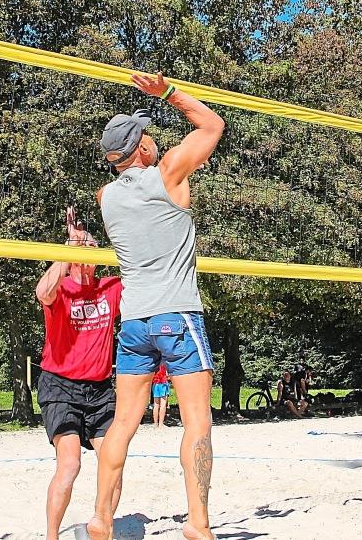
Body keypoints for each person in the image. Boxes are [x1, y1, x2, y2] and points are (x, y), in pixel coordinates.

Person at [86, 71, 224, 540]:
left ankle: (101, 517)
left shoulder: (105, 197)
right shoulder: (166, 173)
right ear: (141, 149)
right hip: (177, 313)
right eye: (147, 135)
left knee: (123, 423)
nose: (154, 138)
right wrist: (166, 93)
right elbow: (211, 126)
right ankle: (198, 525)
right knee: (198, 422)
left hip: (135, 319)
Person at [35, 207, 123, 540]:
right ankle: (52, 536)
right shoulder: (62, 287)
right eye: (77, 251)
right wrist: (68, 247)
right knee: (70, 464)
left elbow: (139, 272)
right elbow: (43, 292)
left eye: (89, 250)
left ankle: (103, 527)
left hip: (100, 389)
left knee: (114, 462)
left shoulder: (111, 287)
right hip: (60, 385)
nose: (83, 256)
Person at [152, 364, 171, 428]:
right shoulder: (165, 363)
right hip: (163, 383)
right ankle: (161, 424)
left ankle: (155, 424)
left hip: (155, 384)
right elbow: (168, 375)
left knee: (156, 405)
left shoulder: (154, 363)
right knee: (163, 405)